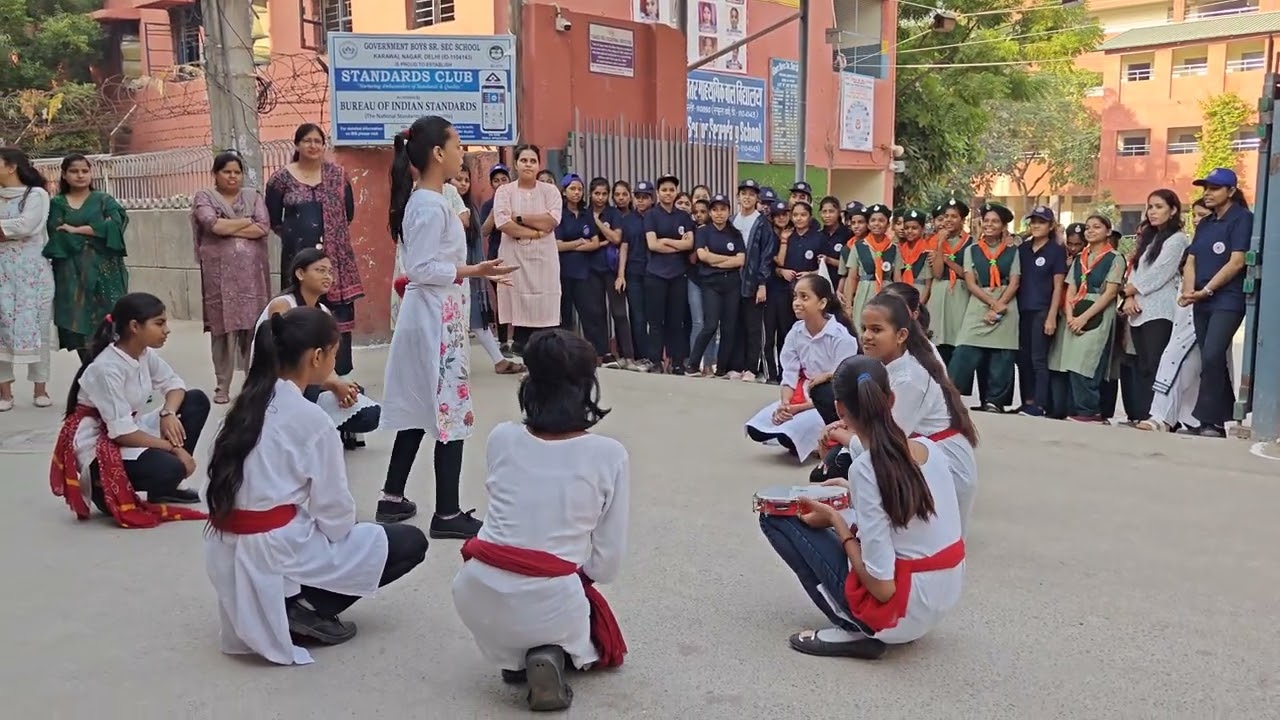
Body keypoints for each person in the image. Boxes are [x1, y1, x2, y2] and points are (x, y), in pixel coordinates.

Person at [204, 306, 429, 665]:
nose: (334, 363)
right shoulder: (312, 420)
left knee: (322, 535)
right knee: (408, 542)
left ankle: (291, 597)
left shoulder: (242, 407)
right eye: (335, 354)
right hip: (275, 547)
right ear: (317, 356)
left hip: (226, 549)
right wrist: (335, 534)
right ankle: (305, 607)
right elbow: (335, 515)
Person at [452, 329, 629, 712]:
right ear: (588, 385)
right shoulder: (609, 454)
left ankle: (515, 655)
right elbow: (607, 564)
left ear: (527, 380)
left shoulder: (502, 437)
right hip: (552, 600)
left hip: (475, 590)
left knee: (528, 608)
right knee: (572, 617)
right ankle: (548, 653)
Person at [759, 355, 965, 660]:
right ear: (891, 399)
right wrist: (852, 494)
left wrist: (836, 523)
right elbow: (900, 503)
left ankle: (853, 627)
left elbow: (882, 588)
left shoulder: (867, 469)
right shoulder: (929, 449)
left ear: (840, 409)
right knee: (841, 511)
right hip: (939, 599)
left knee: (773, 515)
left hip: (898, 614)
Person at [379, 116, 517, 530]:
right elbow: (420, 268)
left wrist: (470, 271)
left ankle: (392, 497)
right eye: (458, 146)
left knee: (425, 407)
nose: (463, 154)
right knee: (447, 409)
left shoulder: (434, 201)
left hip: (439, 313)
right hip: (435, 317)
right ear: (438, 153)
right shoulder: (427, 204)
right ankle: (447, 512)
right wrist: (473, 271)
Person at [816, 291, 979, 534]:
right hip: (911, 455)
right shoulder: (892, 363)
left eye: (876, 330)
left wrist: (838, 435)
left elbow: (885, 444)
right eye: (864, 328)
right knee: (829, 474)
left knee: (840, 473)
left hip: (942, 468)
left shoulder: (910, 378)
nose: (867, 337)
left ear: (902, 335)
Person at [49, 293, 209, 527]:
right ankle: (102, 485)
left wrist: (168, 413)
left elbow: (174, 384)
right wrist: (175, 449)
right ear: (135, 326)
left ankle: (163, 488)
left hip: (127, 427)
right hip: (102, 441)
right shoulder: (106, 368)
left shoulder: (143, 353)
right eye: (159, 323)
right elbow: (120, 433)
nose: (167, 330)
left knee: (195, 401)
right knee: (172, 467)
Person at [265, 123, 362, 379]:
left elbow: (348, 213)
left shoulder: (338, 176)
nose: (313, 145)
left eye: (318, 141)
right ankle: (301, 373)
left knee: (334, 315)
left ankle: (337, 373)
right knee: (301, 312)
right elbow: (274, 219)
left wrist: (330, 239)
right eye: (307, 141)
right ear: (297, 145)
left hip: (335, 259)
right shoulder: (280, 179)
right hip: (298, 258)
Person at [256, 248, 379, 448]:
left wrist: (338, 384)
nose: (327, 277)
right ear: (300, 273)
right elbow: (286, 363)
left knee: (364, 406)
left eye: (330, 272)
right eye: (320, 270)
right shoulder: (283, 305)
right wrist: (332, 385)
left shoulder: (324, 312)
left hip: (312, 380)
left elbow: (327, 362)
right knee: (328, 397)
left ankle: (328, 430)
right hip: (279, 381)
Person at [745, 274, 859, 460]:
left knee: (790, 434)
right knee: (757, 429)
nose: (797, 302)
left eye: (804, 297)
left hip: (830, 401)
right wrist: (786, 404)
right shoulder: (796, 332)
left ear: (822, 303)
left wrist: (799, 408)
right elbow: (789, 372)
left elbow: (841, 387)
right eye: (795, 297)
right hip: (804, 393)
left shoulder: (841, 337)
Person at [192, 151, 273, 404]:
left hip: (252, 276)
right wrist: (245, 221)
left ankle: (253, 383)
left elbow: (263, 227)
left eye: (237, 172)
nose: (232, 176)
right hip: (220, 277)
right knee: (223, 330)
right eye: (226, 171)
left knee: (254, 328)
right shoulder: (204, 197)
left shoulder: (253, 196)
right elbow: (212, 225)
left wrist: (230, 224)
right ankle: (222, 386)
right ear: (215, 174)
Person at [1179, 168, 1251, 438]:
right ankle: (1217, 419)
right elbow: (1192, 260)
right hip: (1200, 300)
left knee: (1211, 355)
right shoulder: (1206, 223)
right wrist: (1190, 291)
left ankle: (1209, 421)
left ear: (1231, 191)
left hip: (1227, 299)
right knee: (1212, 360)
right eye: (1205, 188)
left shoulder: (1242, 219)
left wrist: (1207, 290)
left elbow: (1237, 261)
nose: (1208, 193)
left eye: (1215, 188)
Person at [44, 153, 129, 366]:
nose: (80, 175)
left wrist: (77, 229)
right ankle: (90, 374)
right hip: (71, 274)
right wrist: (96, 232)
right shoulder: (57, 203)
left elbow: (116, 225)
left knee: (113, 322)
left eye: (85, 171)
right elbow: (58, 236)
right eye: (74, 171)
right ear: (64, 174)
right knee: (78, 323)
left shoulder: (104, 200)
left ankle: (125, 375)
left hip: (106, 272)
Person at [1120, 189, 1189, 423]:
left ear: (1173, 210)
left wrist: (1128, 291)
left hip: (1160, 311)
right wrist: (1128, 298)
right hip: (1137, 309)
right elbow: (1136, 270)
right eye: (1150, 207)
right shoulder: (1149, 239)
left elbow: (1160, 273)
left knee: (1157, 363)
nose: (1152, 212)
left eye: (1159, 206)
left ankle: (1160, 416)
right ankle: (1140, 414)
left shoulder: (1177, 239)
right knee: (1141, 365)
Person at [948, 202, 1021, 413]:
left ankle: (994, 401)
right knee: (964, 350)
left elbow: (1015, 281)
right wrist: (992, 304)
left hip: (1006, 300)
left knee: (1002, 354)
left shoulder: (1012, 250)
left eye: (995, 221)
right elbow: (970, 282)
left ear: (1003, 225)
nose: (990, 225)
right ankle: (950, 397)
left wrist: (1000, 305)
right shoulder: (972, 250)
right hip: (980, 300)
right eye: (986, 221)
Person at [1052, 215, 1124, 423]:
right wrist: (1070, 313)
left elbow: (1110, 293)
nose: (1091, 231)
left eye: (1097, 227)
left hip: (1097, 310)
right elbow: (1071, 286)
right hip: (1076, 309)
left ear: (1108, 231)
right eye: (1088, 228)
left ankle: (1090, 410)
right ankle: (1078, 408)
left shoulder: (1114, 258)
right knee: (1073, 362)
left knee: (1088, 361)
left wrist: (1084, 317)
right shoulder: (1080, 258)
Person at [494, 146, 563, 355]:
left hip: (544, 260)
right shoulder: (505, 191)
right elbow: (503, 223)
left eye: (533, 161)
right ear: (516, 164)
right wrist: (534, 233)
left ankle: (543, 353)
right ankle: (520, 346)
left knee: (544, 304)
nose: (528, 165)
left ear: (538, 165)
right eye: (524, 160)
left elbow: (551, 221)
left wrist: (520, 218)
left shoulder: (550, 191)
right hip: (515, 257)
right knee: (518, 299)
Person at [0, 146, 55, 411]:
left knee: (39, 328)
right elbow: (16, 229)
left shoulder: (37, 195)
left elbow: (27, 225)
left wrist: (8, 231)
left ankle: (40, 388)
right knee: (0, 330)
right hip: (2, 273)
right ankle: (5, 393)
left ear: (11, 167)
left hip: (34, 273)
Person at [1014, 205, 1067, 417]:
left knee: (1038, 358)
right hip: (1021, 309)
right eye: (1033, 221)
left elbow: (1058, 285)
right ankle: (1027, 400)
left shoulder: (1056, 250)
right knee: (1023, 358)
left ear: (1051, 225)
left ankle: (1039, 403)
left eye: (1041, 222)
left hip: (1042, 310)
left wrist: (1052, 315)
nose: (1036, 226)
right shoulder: (1022, 249)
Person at [689, 193, 745, 376]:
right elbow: (702, 256)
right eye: (715, 210)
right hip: (711, 283)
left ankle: (721, 369)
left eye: (723, 209)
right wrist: (725, 259)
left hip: (732, 284)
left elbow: (741, 260)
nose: (719, 213)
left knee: (729, 328)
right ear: (710, 213)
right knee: (710, 325)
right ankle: (693, 364)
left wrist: (714, 259)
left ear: (729, 211)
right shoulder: (703, 232)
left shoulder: (735, 233)